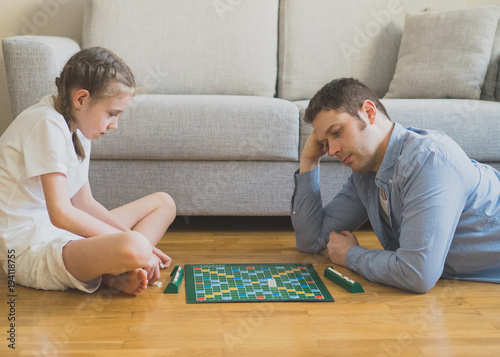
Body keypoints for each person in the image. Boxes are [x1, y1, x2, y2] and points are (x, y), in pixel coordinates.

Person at [291, 77, 500, 293]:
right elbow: (312, 240)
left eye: (336, 133)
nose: (332, 150)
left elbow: (417, 274)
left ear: (369, 113)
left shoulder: (428, 160)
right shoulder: (365, 173)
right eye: (325, 143)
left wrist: (351, 254)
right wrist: (309, 161)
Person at [0, 47, 176, 296]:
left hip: (62, 234)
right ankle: (114, 270)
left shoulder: (77, 125)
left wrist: (130, 240)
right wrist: (139, 247)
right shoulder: (46, 123)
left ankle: (116, 271)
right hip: (30, 249)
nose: (114, 125)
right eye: (112, 113)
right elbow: (60, 214)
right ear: (81, 99)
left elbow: (85, 204)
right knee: (135, 245)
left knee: (163, 203)